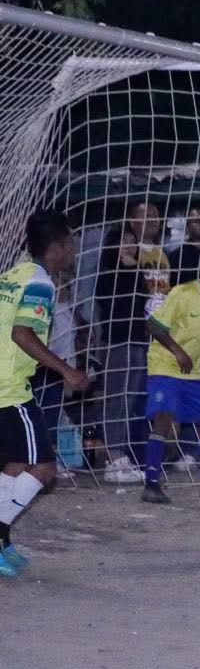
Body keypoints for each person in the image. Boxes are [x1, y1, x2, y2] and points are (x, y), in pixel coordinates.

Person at [0, 211, 90, 578]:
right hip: (9, 391)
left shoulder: (11, 275)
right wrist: (66, 369)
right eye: (70, 244)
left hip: (6, 386)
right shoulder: (40, 283)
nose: (73, 252)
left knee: (16, 465)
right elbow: (22, 333)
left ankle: (3, 544)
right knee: (45, 468)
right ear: (58, 247)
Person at [140, 245, 200, 504]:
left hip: (196, 368)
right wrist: (178, 351)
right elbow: (153, 324)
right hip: (165, 363)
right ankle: (151, 483)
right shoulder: (184, 294)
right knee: (163, 418)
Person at [96, 199, 172, 483]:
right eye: (142, 213)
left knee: (137, 399)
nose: (150, 217)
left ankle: (130, 455)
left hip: (144, 338)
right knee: (118, 397)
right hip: (120, 337)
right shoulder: (114, 259)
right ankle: (113, 458)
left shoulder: (153, 259)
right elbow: (109, 298)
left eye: (154, 212)